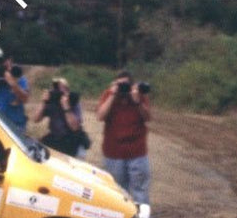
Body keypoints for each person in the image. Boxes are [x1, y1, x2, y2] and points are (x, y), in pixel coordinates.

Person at [96, 71, 152, 207]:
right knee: (118, 192)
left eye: (125, 85)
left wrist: (137, 101)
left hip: (137, 152)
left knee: (140, 192)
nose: (123, 88)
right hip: (114, 153)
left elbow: (147, 118)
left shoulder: (139, 96)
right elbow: (100, 116)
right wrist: (113, 95)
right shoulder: (109, 95)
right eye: (120, 85)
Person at [32, 77, 84, 156]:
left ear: (67, 90)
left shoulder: (72, 101)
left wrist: (66, 107)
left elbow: (75, 127)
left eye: (61, 87)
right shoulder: (52, 101)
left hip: (72, 140)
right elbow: (36, 119)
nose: (57, 91)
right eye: (55, 87)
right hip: (55, 137)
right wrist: (43, 102)